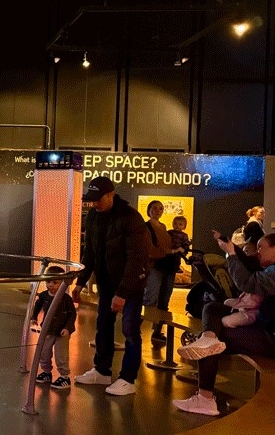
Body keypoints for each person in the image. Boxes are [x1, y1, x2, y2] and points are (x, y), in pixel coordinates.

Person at [173, 231, 275, 416]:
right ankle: (207, 337)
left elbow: (247, 283)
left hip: (270, 336)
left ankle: (205, 399)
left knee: (216, 339)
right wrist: (231, 247)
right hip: (263, 324)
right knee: (212, 308)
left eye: (262, 248)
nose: (258, 251)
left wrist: (232, 253)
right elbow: (248, 263)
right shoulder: (269, 268)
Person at [72, 176, 150, 396]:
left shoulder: (131, 218)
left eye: (98, 199)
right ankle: (102, 370)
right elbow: (90, 252)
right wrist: (80, 281)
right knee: (103, 325)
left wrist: (123, 293)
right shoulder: (94, 217)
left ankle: (128, 379)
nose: (94, 204)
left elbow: (137, 258)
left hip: (131, 284)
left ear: (111, 195)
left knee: (130, 329)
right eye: (91, 200)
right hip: (106, 284)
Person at [142, 200, 185, 346]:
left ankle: (157, 332)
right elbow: (150, 250)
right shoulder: (146, 228)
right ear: (149, 210)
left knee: (164, 301)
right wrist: (170, 251)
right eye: (154, 208)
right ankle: (133, 329)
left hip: (168, 267)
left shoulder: (163, 227)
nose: (158, 211)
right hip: (156, 267)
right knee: (150, 299)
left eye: (160, 208)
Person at [31, 265, 77, 389]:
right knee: (43, 352)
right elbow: (38, 304)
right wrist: (34, 316)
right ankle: (46, 372)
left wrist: (67, 328)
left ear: (62, 283)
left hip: (62, 332)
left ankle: (64, 377)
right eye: (48, 281)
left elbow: (72, 314)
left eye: (55, 282)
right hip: (48, 330)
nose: (50, 285)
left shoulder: (66, 299)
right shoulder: (44, 295)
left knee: (61, 355)